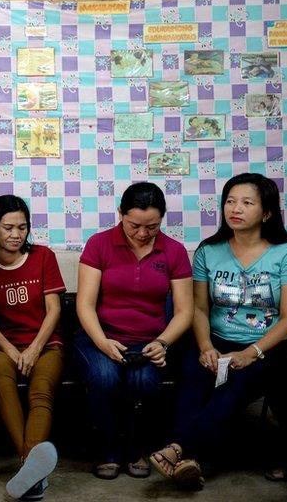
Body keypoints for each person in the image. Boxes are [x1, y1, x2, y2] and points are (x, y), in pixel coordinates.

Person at [149, 173, 287, 490]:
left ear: (266, 212)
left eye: (246, 202)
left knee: (235, 385)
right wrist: (204, 347)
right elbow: (199, 308)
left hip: (268, 346)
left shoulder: (286, 252)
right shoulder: (208, 251)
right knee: (193, 377)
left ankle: (178, 450)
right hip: (215, 340)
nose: (235, 209)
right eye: (230, 201)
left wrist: (250, 352)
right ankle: (188, 461)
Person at [75, 182, 194, 479]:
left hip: (150, 341)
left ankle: (137, 448)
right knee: (105, 377)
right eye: (134, 225)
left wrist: (163, 342)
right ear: (120, 214)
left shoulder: (175, 251)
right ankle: (109, 449)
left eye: (151, 227)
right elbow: (85, 305)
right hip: (100, 336)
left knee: (144, 382)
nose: (142, 233)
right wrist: (103, 343)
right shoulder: (99, 244)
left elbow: (184, 311)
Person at [0, 195, 65, 500]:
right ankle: (32, 468)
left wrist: (33, 349)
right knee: (2, 373)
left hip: (45, 344)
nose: (16, 234)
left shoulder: (44, 256)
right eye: (8, 227)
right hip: (4, 346)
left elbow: (54, 310)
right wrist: (13, 351)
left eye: (22, 227)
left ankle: (27, 469)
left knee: (40, 389)